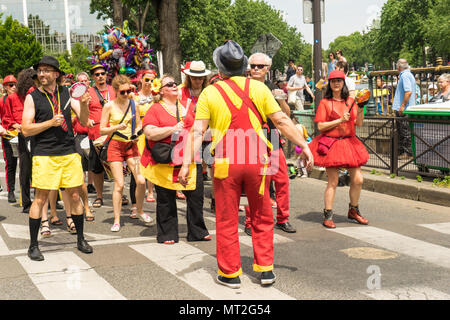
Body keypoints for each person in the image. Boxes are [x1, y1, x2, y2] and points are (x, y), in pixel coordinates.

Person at [178, 40, 313, 289]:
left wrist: (186, 164)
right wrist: (303, 145)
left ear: (220, 69)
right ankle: (266, 270)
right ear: (244, 67)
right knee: (262, 214)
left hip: (226, 160)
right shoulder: (260, 89)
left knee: (227, 217)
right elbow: (282, 121)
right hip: (259, 159)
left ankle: (230, 273)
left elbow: (197, 133)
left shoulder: (210, 92)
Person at [21, 55, 92, 261]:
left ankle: (80, 239)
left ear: (56, 74)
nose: (41, 74)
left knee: (76, 196)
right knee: (40, 199)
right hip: (44, 154)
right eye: (39, 70)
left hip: (69, 152)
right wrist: (49, 123)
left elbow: (85, 121)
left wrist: (85, 105)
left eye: (46, 70)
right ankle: (33, 246)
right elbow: (26, 128)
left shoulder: (67, 93)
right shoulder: (32, 96)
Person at [141, 74, 211, 245]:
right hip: (166, 160)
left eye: (175, 83)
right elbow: (149, 132)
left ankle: (197, 231)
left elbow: (198, 129)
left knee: (196, 196)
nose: (174, 86)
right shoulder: (155, 108)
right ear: (162, 91)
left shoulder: (186, 107)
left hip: (189, 157)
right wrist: (172, 129)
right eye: (169, 84)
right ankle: (167, 234)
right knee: (166, 200)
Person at [307, 70, 369, 229]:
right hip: (332, 144)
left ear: (343, 83)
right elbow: (321, 126)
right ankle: (328, 214)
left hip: (349, 143)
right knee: (333, 181)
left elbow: (359, 123)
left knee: (358, 179)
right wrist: (340, 120)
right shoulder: (325, 103)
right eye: (333, 81)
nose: (336, 83)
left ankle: (353, 210)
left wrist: (361, 108)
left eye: (339, 81)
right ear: (329, 83)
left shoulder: (350, 101)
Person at [245, 52, 296, 234]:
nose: (256, 69)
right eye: (253, 66)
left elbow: (286, 115)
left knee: (282, 180)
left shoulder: (272, 88)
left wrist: (281, 99)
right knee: (256, 183)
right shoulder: (243, 87)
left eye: (260, 66)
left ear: (267, 69)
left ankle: (283, 218)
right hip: (252, 140)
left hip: (272, 138)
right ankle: (251, 221)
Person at [100, 74, 151, 232]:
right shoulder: (109, 106)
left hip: (131, 144)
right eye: (122, 92)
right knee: (119, 184)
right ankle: (116, 219)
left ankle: (140, 210)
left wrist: (137, 133)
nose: (126, 94)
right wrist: (116, 127)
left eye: (128, 91)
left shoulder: (133, 104)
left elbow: (138, 124)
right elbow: (102, 129)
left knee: (141, 181)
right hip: (115, 145)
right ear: (115, 91)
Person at [2, 69, 36, 213]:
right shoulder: (11, 99)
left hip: (37, 135)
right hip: (19, 137)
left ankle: (50, 199)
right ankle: (26, 202)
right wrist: (17, 126)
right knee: (23, 169)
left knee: (42, 169)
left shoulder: (36, 94)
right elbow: (6, 119)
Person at [86, 64, 116, 208]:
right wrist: (87, 120)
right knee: (97, 169)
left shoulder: (113, 90)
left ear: (106, 75)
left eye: (102, 73)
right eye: (96, 74)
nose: (100, 76)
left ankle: (119, 193)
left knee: (115, 166)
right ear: (93, 77)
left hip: (113, 135)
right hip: (96, 136)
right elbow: (82, 113)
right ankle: (99, 196)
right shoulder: (88, 93)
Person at [180, 60, 211, 186]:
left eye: (201, 78)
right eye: (194, 78)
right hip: (187, 134)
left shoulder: (209, 92)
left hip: (206, 133)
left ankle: (214, 200)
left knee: (211, 165)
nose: (198, 81)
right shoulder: (180, 91)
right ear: (189, 77)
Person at [132, 69, 157, 209]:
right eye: (146, 79)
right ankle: (137, 199)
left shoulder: (156, 97)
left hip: (153, 130)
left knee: (153, 161)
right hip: (140, 131)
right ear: (141, 80)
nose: (149, 83)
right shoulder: (134, 97)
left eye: (151, 80)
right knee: (140, 162)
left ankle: (151, 191)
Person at [0, 75, 18, 203]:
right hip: (7, 135)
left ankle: (26, 189)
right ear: (5, 87)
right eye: (11, 85)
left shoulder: (21, 98)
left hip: (22, 134)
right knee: (11, 164)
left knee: (26, 165)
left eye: (15, 84)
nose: (14, 87)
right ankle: (11, 190)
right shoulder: (1, 100)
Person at [392, 58, 415, 159]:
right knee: (405, 130)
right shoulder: (409, 74)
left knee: (404, 131)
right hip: (407, 107)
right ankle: (405, 152)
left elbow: (408, 92)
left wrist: (402, 106)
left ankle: (407, 153)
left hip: (404, 109)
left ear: (398, 67)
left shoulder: (405, 75)